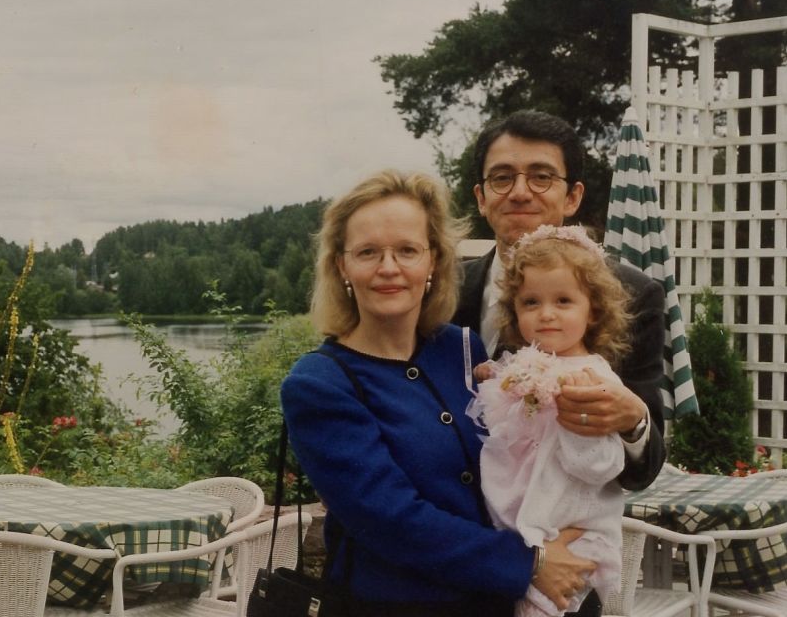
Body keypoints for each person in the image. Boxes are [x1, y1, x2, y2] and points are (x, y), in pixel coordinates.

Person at [280, 169, 594, 616]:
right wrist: (531, 563)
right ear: (341, 266)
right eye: (368, 252)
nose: (389, 268)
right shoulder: (318, 385)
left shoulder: (463, 350)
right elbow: (392, 520)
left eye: (407, 250)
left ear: (433, 261)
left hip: (499, 604)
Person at [453, 109, 666, 495]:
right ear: (481, 198)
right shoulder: (442, 291)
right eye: (502, 178)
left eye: (541, 177)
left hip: (567, 527)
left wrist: (634, 420)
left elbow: (643, 470)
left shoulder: (632, 294)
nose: (520, 192)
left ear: (572, 197)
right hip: (452, 525)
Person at [466, 225, 631, 617]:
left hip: (572, 529)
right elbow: (500, 428)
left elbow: (603, 466)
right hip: (518, 525)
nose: (547, 315)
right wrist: (495, 381)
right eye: (531, 302)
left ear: (593, 310)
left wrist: (580, 424)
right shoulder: (523, 364)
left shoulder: (595, 378)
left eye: (563, 301)